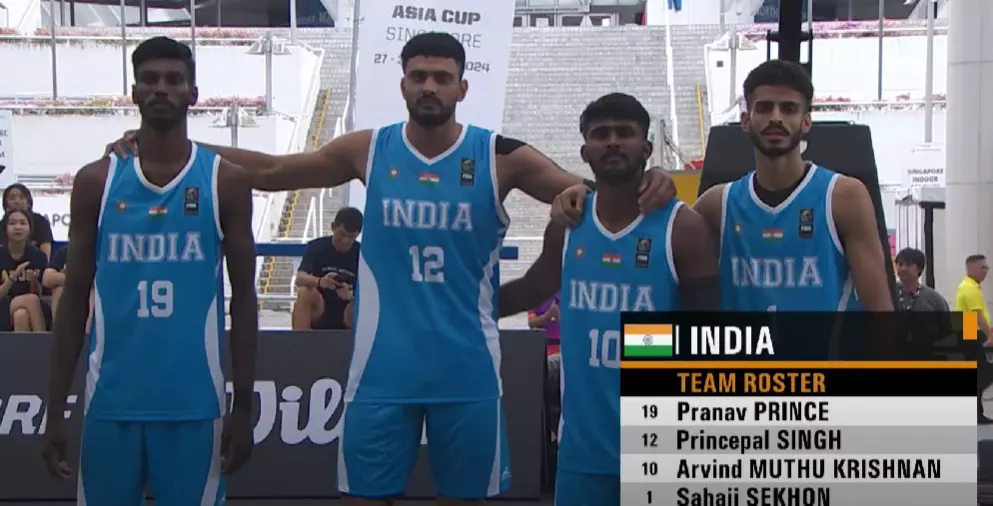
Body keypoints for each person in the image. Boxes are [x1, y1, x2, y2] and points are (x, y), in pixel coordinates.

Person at [105, 32, 674, 505]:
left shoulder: (501, 155)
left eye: (442, 77)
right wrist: (167, 147)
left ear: (462, 87)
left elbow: (591, 195)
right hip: (381, 373)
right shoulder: (368, 149)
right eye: (419, 75)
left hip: (468, 373)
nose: (429, 86)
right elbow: (274, 171)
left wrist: (653, 179)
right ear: (402, 84)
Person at [41, 36, 258, 505]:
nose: (161, 88)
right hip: (110, 401)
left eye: (174, 79)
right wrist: (54, 410)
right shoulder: (96, 181)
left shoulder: (226, 180)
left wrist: (243, 405)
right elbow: (74, 300)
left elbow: (244, 300)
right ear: (134, 92)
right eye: (150, 79)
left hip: (194, 403)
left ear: (193, 94)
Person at [497, 93, 720, 506]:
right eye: (601, 134)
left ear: (646, 148)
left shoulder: (683, 227)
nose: (613, 142)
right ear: (585, 152)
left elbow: (709, 337)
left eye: (624, 133)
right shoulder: (567, 223)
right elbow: (532, 287)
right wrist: (465, 307)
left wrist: (636, 341)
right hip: (582, 449)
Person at [293, 206, 362, 330]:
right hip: (320, 307)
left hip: (347, 312)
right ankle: (300, 340)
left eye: (351, 237)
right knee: (304, 293)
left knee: (362, 303)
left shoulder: (361, 254)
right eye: (342, 234)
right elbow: (300, 278)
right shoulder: (316, 247)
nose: (345, 240)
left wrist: (351, 295)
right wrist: (320, 282)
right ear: (333, 227)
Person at [955, 254, 992, 423]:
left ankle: (976, 412)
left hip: (968, 330)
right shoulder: (970, 288)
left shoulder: (969, 286)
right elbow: (977, 315)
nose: (986, 270)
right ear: (971, 268)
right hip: (971, 332)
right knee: (983, 373)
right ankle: (975, 412)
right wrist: (989, 335)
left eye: (986, 267)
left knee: (980, 372)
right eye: (982, 267)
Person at [0, 209, 49, 331]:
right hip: (3, 304)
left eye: (23, 223)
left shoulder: (38, 256)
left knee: (21, 315)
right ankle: (42, 340)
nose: (18, 227)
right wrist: (12, 278)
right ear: (5, 228)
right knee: (32, 300)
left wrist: (33, 282)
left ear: (29, 229)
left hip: (28, 307)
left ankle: (22, 345)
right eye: (12, 223)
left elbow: (38, 293)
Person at [1, 183, 55, 258]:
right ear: (5, 204)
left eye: (21, 197)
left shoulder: (41, 222)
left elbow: (45, 257)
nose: (17, 201)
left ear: (28, 202)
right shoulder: (2, 224)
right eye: (12, 198)